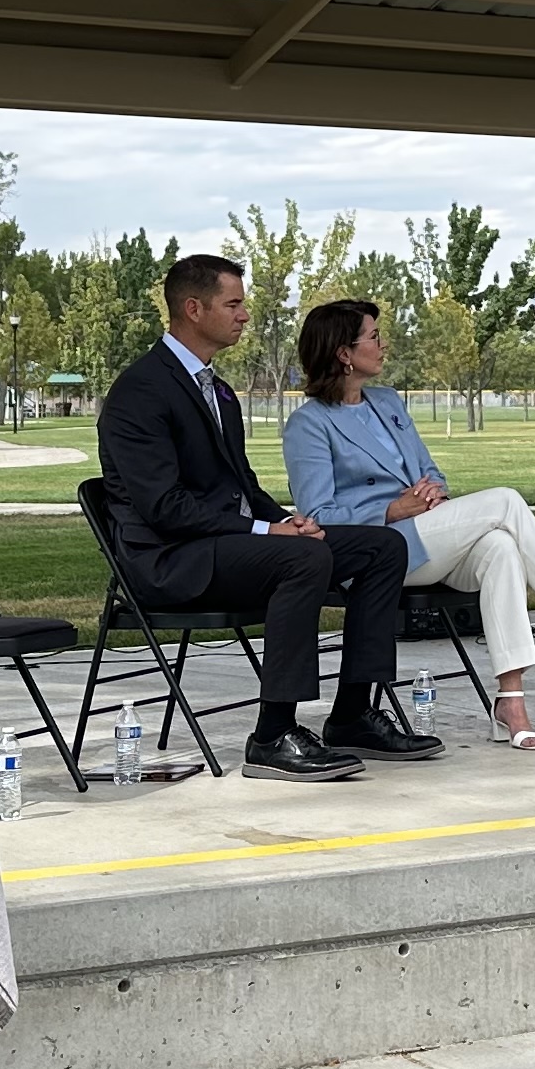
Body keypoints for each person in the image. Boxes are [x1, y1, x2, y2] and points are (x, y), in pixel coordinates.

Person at [96, 252, 430, 781]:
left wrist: (287, 519)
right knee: (301, 558)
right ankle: (273, 734)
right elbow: (163, 506)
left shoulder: (217, 390)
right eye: (233, 303)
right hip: (168, 559)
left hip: (223, 545)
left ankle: (353, 715)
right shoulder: (141, 392)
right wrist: (266, 531)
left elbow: (242, 486)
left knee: (380, 546)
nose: (245, 314)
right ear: (192, 308)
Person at [282, 300, 535, 749]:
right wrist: (392, 510)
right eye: (374, 336)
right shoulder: (308, 424)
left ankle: (511, 703)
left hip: (429, 532)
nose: (384, 344)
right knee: (504, 501)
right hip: (378, 552)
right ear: (344, 353)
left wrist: (433, 492)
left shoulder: (386, 401)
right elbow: (317, 516)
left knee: (500, 545)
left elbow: (429, 470)